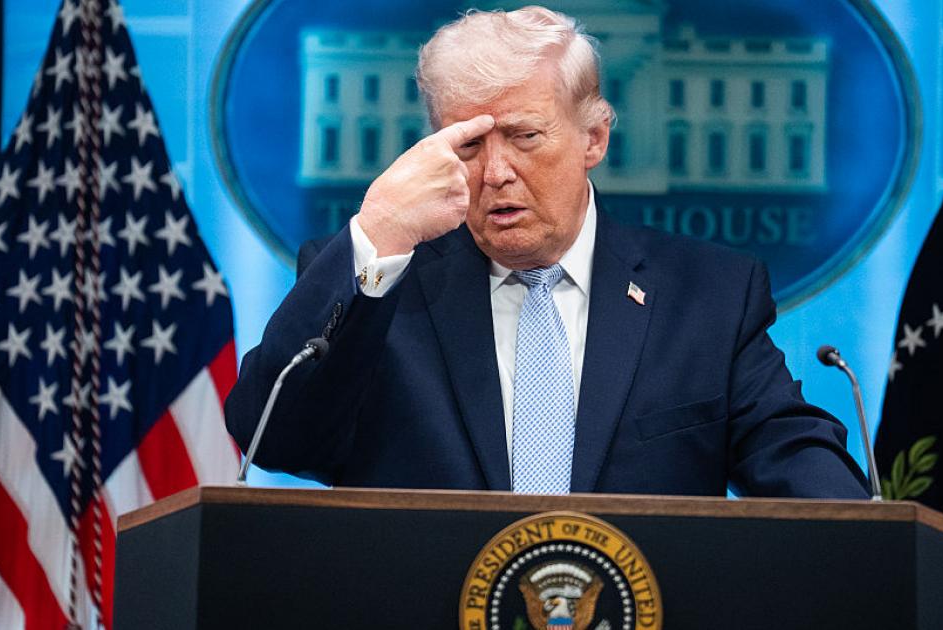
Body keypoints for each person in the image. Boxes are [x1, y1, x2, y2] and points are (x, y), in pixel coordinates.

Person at [224, 6, 868, 498]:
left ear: (594, 137)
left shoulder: (709, 297)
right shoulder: (380, 286)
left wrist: (873, 534)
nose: (497, 172)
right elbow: (271, 437)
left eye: (525, 136)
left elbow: (796, 460)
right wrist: (378, 233)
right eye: (469, 145)